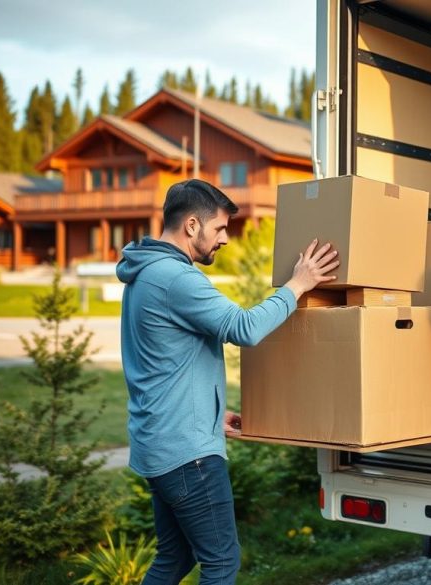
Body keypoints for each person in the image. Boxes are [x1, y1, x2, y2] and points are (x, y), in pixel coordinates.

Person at [117, 179, 339, 584]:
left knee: (174, 559)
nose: (225, 239)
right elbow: (244, 328)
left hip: (161, 443)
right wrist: (299, 284)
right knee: (220, 563)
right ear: (191, 226)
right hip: (188, 455)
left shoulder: (145, 273)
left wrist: (209, 412)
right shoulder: (174, 278)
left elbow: (163, 362)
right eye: (219, 229)